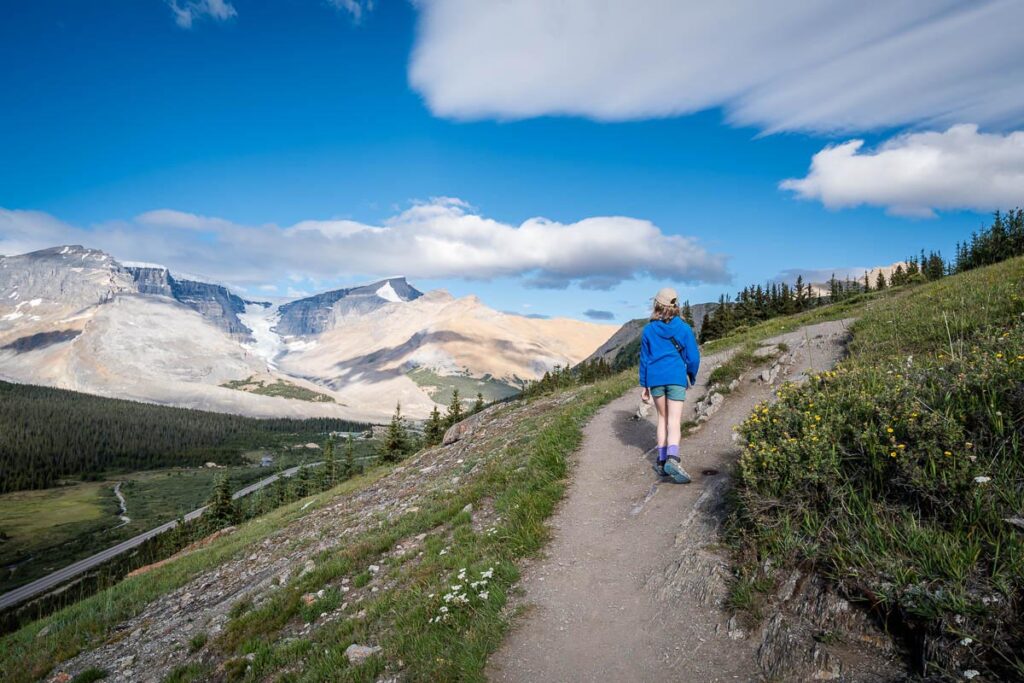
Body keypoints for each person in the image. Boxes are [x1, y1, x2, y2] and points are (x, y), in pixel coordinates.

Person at [638, 287, 700, 483]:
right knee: (674, 420)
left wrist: (645, 385)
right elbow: (693, 357)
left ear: (656, 304)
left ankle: (661, 460)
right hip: (675, 378)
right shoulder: (683, 328)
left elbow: (645, 360)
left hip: (655, 379)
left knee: (662, 419)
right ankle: (673, 458)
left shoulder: (648, 330)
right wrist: (691, 375)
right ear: (675, 305)